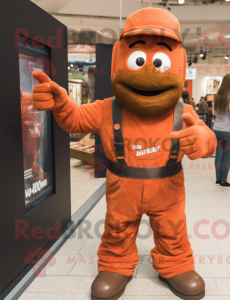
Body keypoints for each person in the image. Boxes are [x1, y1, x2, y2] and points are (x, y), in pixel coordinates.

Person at [32, 7, 217, 300]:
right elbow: (76, 118)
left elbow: (206, 138)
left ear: (178, 62)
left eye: (160, 60)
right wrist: (61, 104)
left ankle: (175, 263)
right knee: (117, 229)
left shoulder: (184, 112)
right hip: (122, 189)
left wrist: (203, 141)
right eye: (137, 58)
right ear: (121, 57)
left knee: (173, 229)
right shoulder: (107, 108)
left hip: (168, 190)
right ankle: (116, 263)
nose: (148, 70)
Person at [212, 74, 230, 187]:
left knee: (219, 155)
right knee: (227, 156)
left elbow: (213, 113)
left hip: (217, 129)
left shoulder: (217, 94)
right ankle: (223, 181)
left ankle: (218, 179)